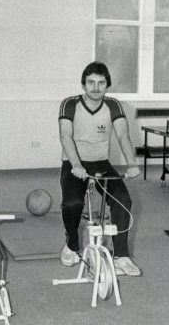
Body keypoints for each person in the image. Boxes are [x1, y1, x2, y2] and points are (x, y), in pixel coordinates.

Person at [58, 61, 142, 276]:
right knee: (72, 203)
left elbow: (123, 136)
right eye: (91, 83)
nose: (96, 87)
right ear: (83, 85)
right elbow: (66, 135)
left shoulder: (113, 105)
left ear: (108, 85)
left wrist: (132, 164)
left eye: (101, 83)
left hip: (101, 163)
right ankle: (72, 245)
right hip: (74, 163)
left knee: (123, 200)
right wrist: (76, 164)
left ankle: (121, 256)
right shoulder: (69, 104)